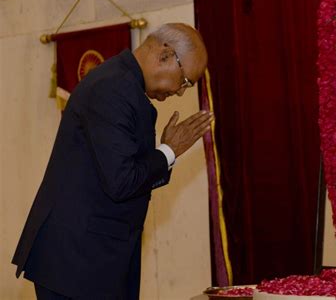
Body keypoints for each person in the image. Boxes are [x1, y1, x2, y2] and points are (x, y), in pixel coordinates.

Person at [12, 23, 213, 299]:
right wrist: (168, 151)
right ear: (165, 55)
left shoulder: (123, 84)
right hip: (76, 263)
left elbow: (120, 171)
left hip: (93, 259)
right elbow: (121, 181)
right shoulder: (113, 87)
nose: (180, 92)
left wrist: (165, 152)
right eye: (185, 81)